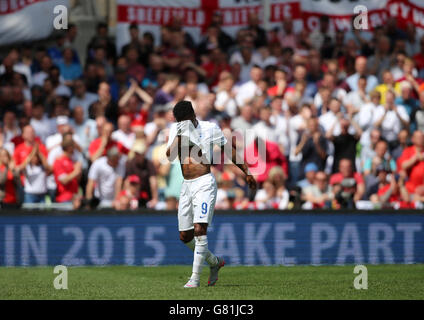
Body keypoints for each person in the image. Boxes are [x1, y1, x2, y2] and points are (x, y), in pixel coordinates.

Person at [166, 100, 256, 288]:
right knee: (185, 236)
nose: (182, 123)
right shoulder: (176, 130)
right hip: (187, 185)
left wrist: (246, 171)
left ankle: (194, 279)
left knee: (200, 229)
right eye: (179, 121)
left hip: (205, 182)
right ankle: (214, 262)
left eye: (184, 120)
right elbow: (170, 156)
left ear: (192, 115)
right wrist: (180, 136)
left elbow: (228, 150)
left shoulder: (210, 128)